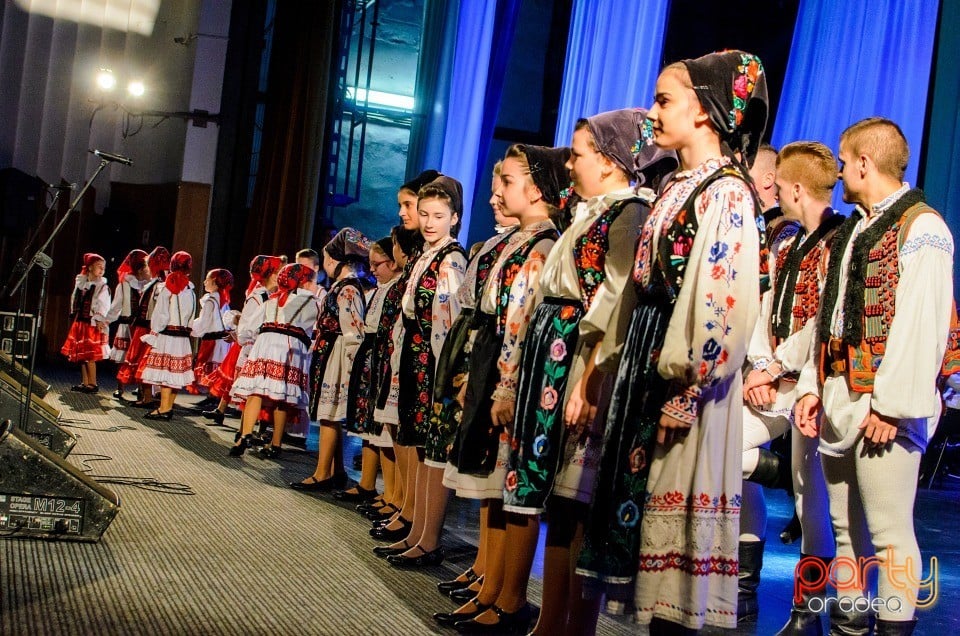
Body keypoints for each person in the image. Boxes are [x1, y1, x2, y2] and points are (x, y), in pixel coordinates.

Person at [603, 51, 768, 633]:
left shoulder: (725, 191)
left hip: (685, 379)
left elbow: (722, 298)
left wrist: (690, 387)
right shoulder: (681, 184)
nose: (653, 112)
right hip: (651, 358)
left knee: (675, 559)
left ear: (706, 112)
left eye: (665, 100)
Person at [794, 117, 956, 636]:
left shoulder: (923, 229)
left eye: (844, 162)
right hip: (841, 393)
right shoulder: (856, 228)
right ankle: (848, 625)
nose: (839, 173)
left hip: (884, 403)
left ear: (865, 163)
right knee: (845, 530)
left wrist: (892, 405)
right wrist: (812, 386)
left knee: (888, 534)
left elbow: (921, 323)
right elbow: (831, 316)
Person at [444, 145, 569, 633]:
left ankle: (509, 595)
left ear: (537, 189)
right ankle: (492, 585)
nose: (496, 192)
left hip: (511, 371)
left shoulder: (540, 245)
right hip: (495, 362)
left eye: (508, 181)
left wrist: (505, 384)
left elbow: (518, 316)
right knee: (493, 487)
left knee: (509, 486)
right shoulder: (517, 242)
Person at [740, 142, 841, 632]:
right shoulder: (788, 240)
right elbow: (767, 306)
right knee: (718, 446)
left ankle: (809, 611)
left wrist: (776, 365)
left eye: (779, 185)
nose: (772, 192)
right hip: (774, 377)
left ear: (797, 188)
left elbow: (824, 321)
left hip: (811, 383)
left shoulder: (837, 242)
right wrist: (760, 363)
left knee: (812, 501)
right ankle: (773, 472)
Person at [429, 161, 519, 601]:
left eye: (505, 185)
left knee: (497, 479)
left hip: (501, 363)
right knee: (485, 481)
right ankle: (485, 568)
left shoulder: (528, 246)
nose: (495, 197)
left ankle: (497, 581)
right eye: (494, 185)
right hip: (480, 355)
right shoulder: (491, 246)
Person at [376, 175, 466, 565]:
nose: (429, 222)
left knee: (433, 450)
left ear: (455, 218)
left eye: (438, 215)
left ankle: (429, 538)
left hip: (434, 361)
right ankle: (417, 531)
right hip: (415, 356)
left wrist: (445, 373)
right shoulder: (427, 255)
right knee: (419, 444)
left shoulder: (451, 258)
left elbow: (448, 320)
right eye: (424, 214)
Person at [291, 228, 370, 477]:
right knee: (330, 414)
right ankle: (336, 471)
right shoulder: (343, 287)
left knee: (329, 415)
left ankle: (322, 472)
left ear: (334, 260)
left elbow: (353, 329)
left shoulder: (347, 289)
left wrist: (350, 366)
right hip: (332, 351)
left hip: (337, 354)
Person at [229, 263, 320, 456]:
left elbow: (248, 330)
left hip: (265, 343)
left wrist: (246, 339)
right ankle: (276, 443)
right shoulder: (310, 301)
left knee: (255, 391)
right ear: (304, 282)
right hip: (289, 347)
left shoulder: (271, 300)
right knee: (282, 396)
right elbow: (311, 327)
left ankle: (245, 434)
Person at [338, 237, 403, 503]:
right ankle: (367, 483)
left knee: (384, 430)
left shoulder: (397, 289)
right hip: (371, 357)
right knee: (367, 424)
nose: (372, 270)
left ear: (393, 262)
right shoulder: (377, 290)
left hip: (384, 357)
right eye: (371, 264)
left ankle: (392, 494)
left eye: (377, 264)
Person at [201, 255, 283, 426]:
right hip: (251, 346)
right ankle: (244, 429)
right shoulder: (258, 296)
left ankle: (255, 427)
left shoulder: (274, 296)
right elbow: (247, 327)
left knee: (260, 388)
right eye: (278, 272)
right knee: (248, 386)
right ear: (270, 274)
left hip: (265, 347)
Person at [140, 251, 197, 419]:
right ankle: (168, 406)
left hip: (168, 335)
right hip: (183, 337)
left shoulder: (167, 287)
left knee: (167, 372)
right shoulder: (190, 289)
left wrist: (154, 331)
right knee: (176, 373)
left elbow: (161, 314)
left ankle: (164, 408)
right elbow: (191, 316)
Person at [121, 246, 169, 408]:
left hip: (149, 327)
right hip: (143, 326)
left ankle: (148, 397)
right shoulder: (154, 283)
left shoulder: (160, 285)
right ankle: (145, 394)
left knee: (145, 362)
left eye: (148, 266)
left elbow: (159, 310)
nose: (146, 270)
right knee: (141, 361)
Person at [61, 252, 111, 392]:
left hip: (92, 324)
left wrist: (99, 318)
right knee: (82, 355)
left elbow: (103, 304)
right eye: (98, 267)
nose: (102, 270)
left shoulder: (102, 286)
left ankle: (93, 383)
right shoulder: (82, 284)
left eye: (103, 268)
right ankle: (85, 382)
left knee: (90, 355)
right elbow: (74, 299)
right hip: (81, 322)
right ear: (89, 267)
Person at [105, 249, 149, 400]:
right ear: (139, 268)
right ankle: (120, 387)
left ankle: (141, 388)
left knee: (140, 357)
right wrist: (106, 320)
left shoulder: (150, 284)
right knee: (123, 357)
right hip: (126, 324)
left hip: (142, 326)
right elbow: (116, 305)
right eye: (145, 266)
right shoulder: (125, 284)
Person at [191, 268, 234, 408]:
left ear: (215, 283)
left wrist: (190, 327)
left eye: (208, 279)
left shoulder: (211, 300)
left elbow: (204, 322)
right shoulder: (223, 299)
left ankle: (213, 397)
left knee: (211, 367)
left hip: (213, 339)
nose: (204, 282)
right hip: (221, 340)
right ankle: (214, 397)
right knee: (218, 367)